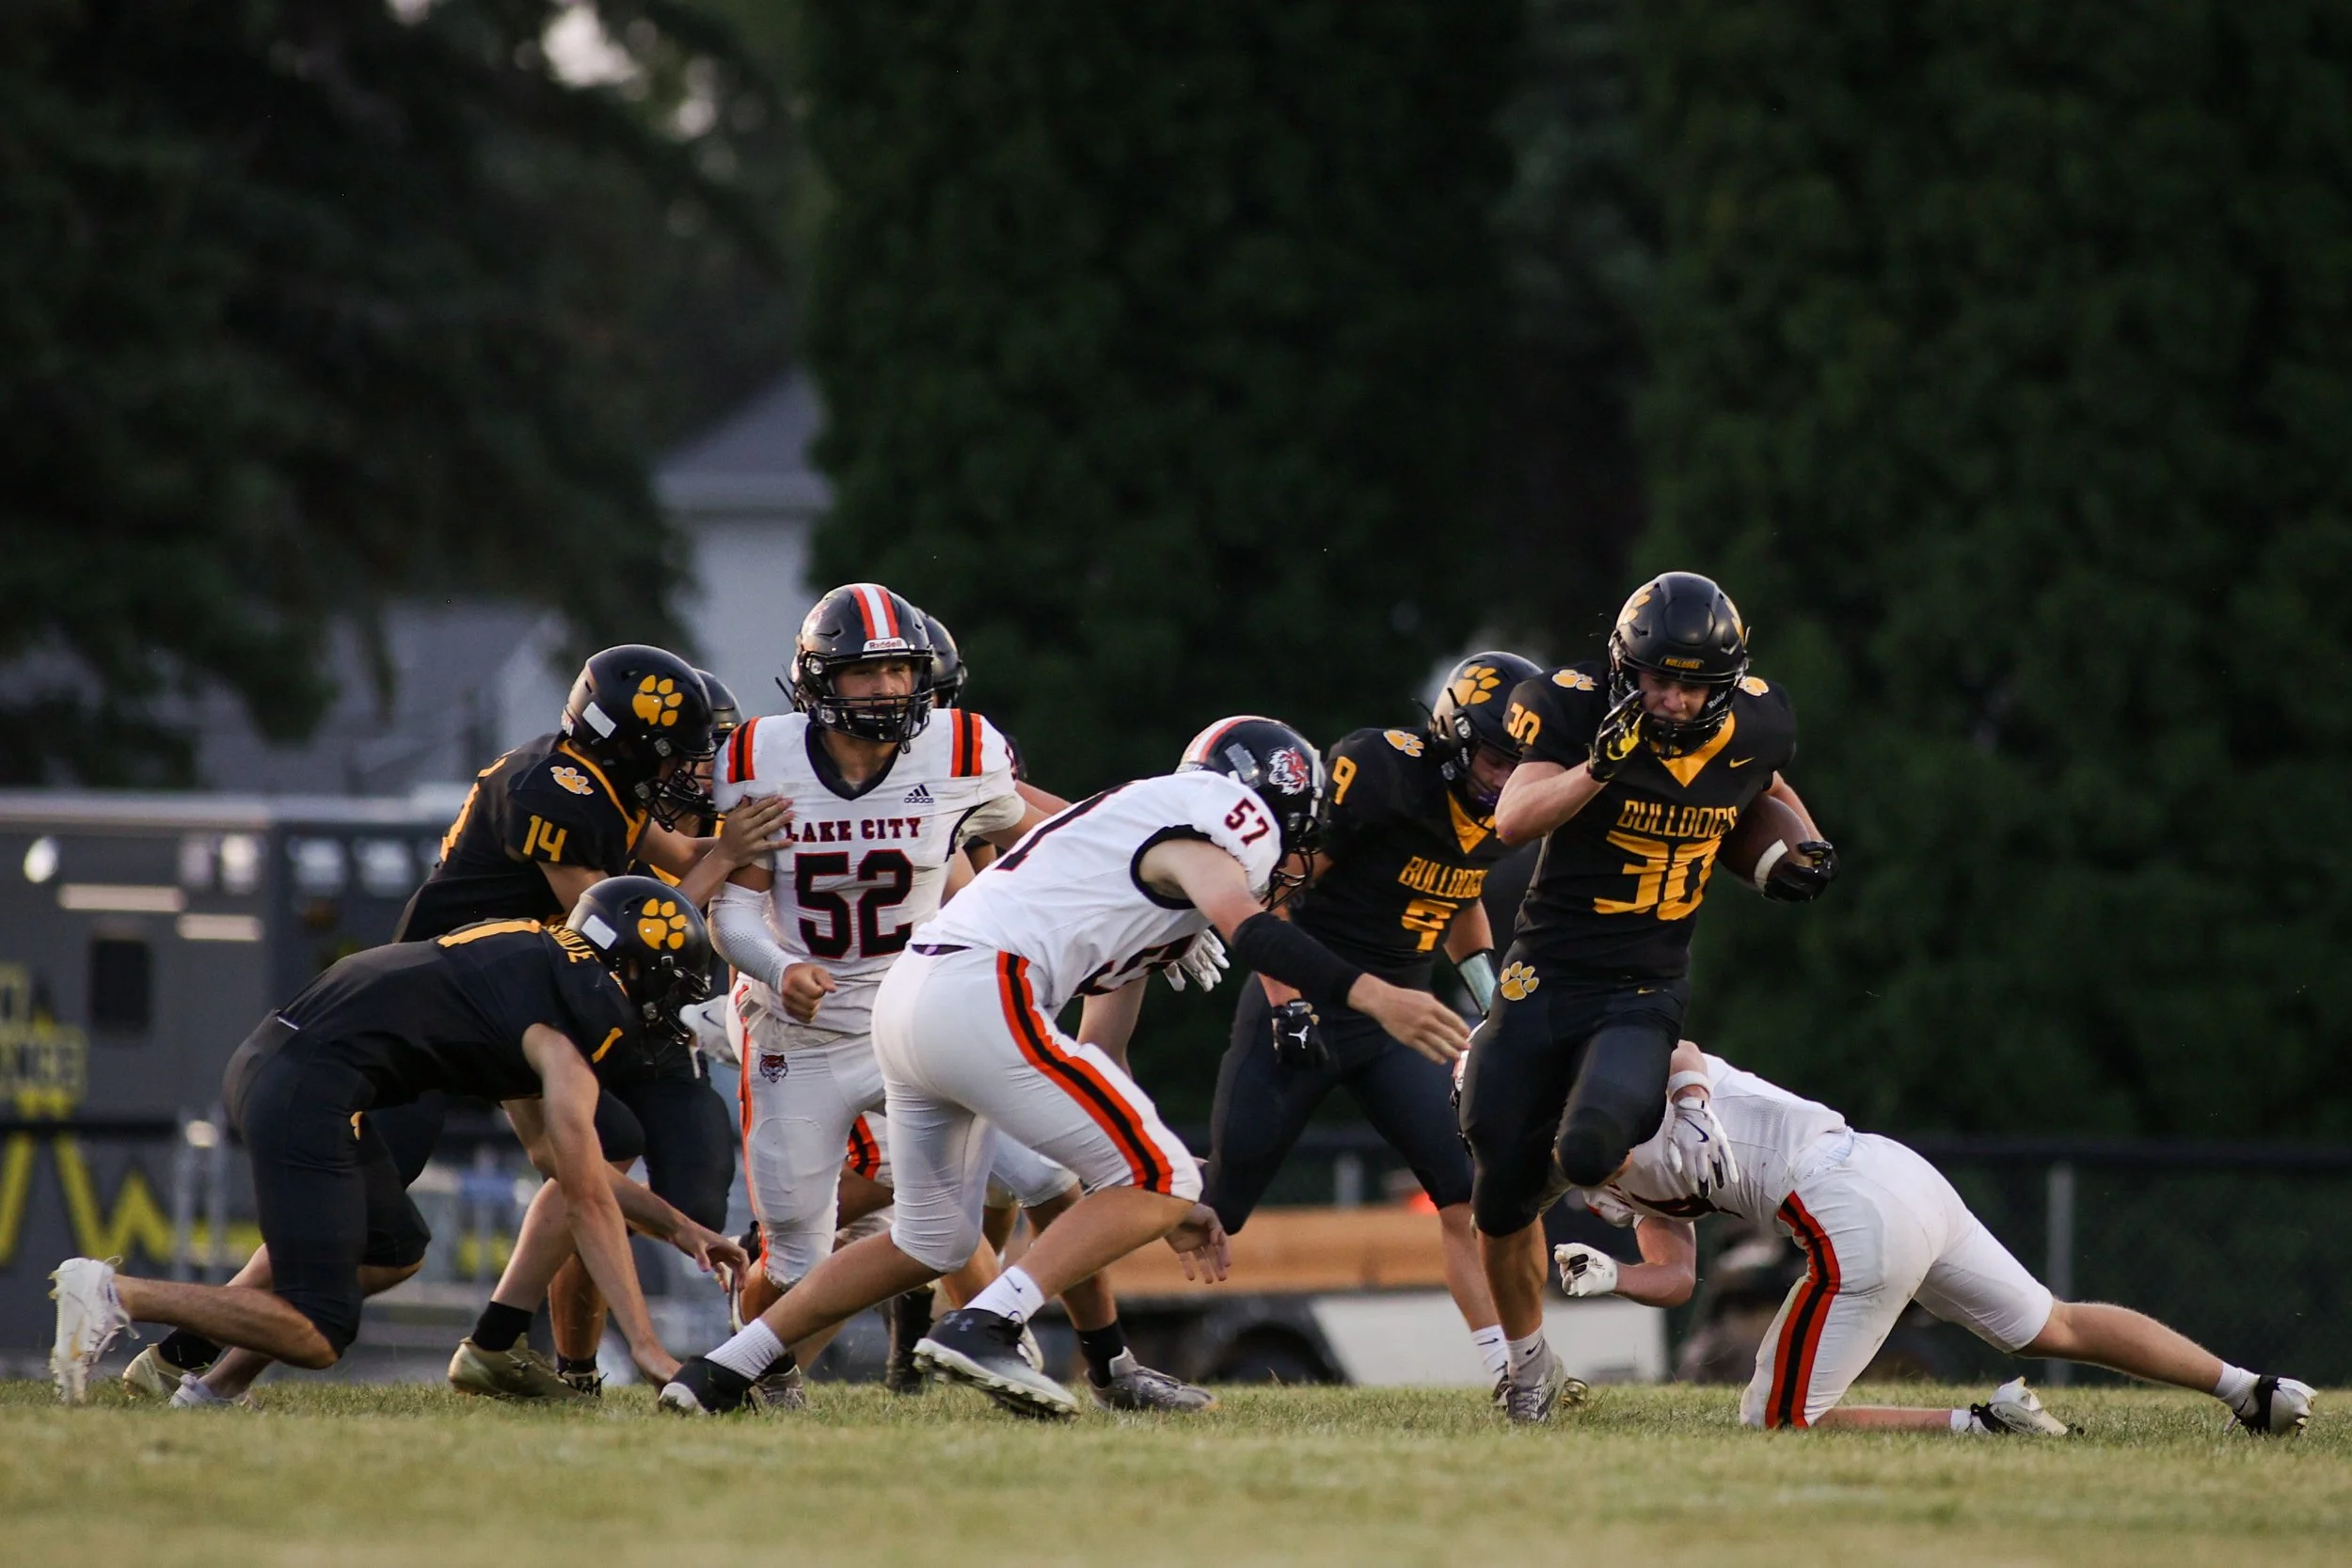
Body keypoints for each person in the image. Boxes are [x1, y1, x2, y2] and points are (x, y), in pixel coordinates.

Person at [658, 715, 1471, 1419]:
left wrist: (1138, 1173)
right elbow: (1253, 930)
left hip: (910, 997)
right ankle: (987, 1324)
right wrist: (1373, 995)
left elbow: (1104, 1040)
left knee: (930, 1239)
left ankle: (725, 1368)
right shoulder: (1228, 818)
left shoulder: (1129, 829)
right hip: (981, 988)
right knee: (1163, 1175)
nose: (1295, 858)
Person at [49, 879, 746, 1404]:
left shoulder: (529, 959)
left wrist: (682, 1228)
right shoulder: (564, 1034)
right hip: (307, 1085)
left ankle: (210, 1393)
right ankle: (114, 1292)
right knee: (317, 1332)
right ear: (633, 973)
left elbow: (556, 1164)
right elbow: (588, 1199)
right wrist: (650, 1349)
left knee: (392, 1251)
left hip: (301, 1065)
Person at [1465, 572, 1835, 1422]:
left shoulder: (1759, 719)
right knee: (1493, 1184)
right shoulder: (1570, 704)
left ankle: (1558, 1165)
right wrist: (1600, 763)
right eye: (1653, 677)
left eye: (1687, 681)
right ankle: (1527, 1371)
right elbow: (1513, 819)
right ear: (1624, 667)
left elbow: (1766, 784)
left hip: (1644, 981)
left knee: (1593, 1145)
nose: (1667, 697)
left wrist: (1803, 844)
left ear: (1725, 680)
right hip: (1546, 968)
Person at [1549, 1042, 2318, 1437]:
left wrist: (1687, 1105)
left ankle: (1982, 1425)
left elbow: (1678, 1051)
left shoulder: (1622, 1084)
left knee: (1776, 1421)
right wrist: (1612, 1277)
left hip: (1845, 1199)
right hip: (1890, 1173)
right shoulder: (1602, 1168)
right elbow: (1676, 1273)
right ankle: (2255, 1390)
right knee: (2056, 1321)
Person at [1202, 652, 1537, 1390]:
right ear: (1452, 735)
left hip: (1401, 1020)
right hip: (1312, 1000)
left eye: (1520, 761)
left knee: (1469, 1191)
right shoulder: (1380, 773)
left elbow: (1459, 891)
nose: (1504, 776)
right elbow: (1277, 886)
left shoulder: (1503, 808)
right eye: (1493, 755)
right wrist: (1286, 1000)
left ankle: (1513, 1372)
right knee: (1220, 1206)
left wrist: (1489, 996)